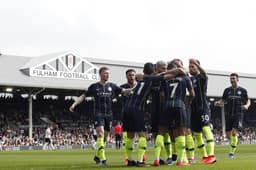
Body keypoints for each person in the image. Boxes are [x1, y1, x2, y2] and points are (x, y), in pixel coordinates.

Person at [123, 62, 186, 167]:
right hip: (138, 109)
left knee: (130, 136)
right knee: (143, 136)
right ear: (155, 70)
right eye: (163, 68)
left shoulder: (141, 79)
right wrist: (168, 72)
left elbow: (139, 76)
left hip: (127, 108)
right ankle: (140, 161)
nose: (164, 70)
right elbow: (179, 72)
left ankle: (130, 160)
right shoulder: (155, 79)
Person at [69, 66, 131, 167]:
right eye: (105, 73)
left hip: (109, 115)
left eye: (108, 73)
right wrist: (74, 104)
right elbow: (83, 96)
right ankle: (103, 159)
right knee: (101, 134)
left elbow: (125, 91)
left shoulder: (113, 86)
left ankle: (97, 156)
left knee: (105, 139)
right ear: (100, 74)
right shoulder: (94, 86)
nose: (107, 75)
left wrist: (136, 88)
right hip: (98, 114)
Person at [162, 60, 194, 166]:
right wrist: (187, 103)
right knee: (181, 132)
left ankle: (171, 157)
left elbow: (162, 95)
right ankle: (181, 160)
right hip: (179, 105)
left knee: (170, 132)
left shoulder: (165, 80)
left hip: (167, 106)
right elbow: (192, 94)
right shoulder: (185, 78)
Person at [215, 73, 250, 158]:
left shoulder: (243, 90)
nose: (232, 80)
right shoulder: (227, 90)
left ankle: (231, 153)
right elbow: (222, 100)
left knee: (234, 133)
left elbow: (248, 100)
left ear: (238, 79)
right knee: (227, 135)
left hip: (238, 114)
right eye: (231, 79)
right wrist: (218, 102)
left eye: (233, 78)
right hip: (228, 114)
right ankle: (235, 141)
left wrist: (246, 105)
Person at [189, 58, 216, 164]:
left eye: (193, 66)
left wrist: (196, 64)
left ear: (198, 67)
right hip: (193, 109)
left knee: (206, 128)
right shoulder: (189, 80)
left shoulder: (201, 77)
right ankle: (205, 156)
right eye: (190, 66)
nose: (191, 68)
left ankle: (211, 155)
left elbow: (205, 73)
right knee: (196, 134)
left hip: (203, 107)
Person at [151, 61, 172, 166]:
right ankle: (160, 157)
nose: (165, 70)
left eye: (166, 68)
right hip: (155, 111)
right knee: (157, 134)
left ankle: (168, 156)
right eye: (163, 68)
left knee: (166, 133)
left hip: (165, 110)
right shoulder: (152, 79)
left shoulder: (166, 79)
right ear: (157, 68)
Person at [119, 69, 138, 164]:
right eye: (129, 75)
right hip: (126, 113)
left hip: (138, 112)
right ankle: (129, 158)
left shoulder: (139, 86)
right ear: (126, 76)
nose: (131, 77)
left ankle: (141, 156)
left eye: (133, 75)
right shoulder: (122, 87)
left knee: (141, 135)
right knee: (129, 136)